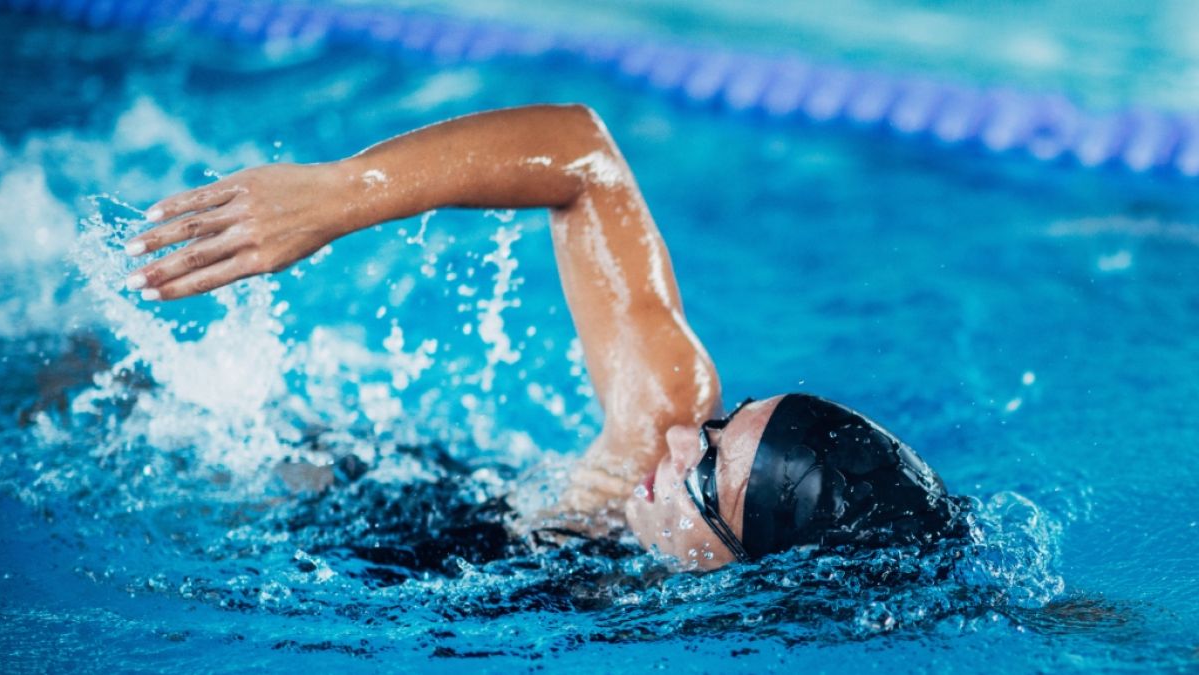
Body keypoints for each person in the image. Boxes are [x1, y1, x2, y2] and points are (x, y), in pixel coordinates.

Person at [123, 104, 961, 570]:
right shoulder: (653, 434)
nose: (675, 438)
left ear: (753, 572)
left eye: (707, 476)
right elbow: (579, 155)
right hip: (323, 489)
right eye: (719, 426)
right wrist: (340, 195)